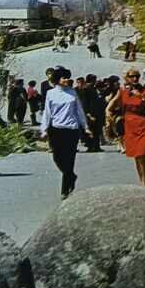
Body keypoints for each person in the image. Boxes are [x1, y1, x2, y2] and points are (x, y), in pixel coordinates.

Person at [40, 67, 89, 199]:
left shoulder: (72, 93)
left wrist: (85, 126)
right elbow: (47, 112)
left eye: (68, 77)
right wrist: (44, 129)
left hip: (71, 130)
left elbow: (79, 111)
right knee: (57, 158)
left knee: (69, 159)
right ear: (57, 79)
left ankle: (65, 189)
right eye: (64, 78)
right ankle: (71, 176)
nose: (66, 80)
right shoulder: (51, 93)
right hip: (56, 129)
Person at [106, 68, 145, 186]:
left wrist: (140, 97)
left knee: (141, 154)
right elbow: (111, 104)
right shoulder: (122, 91)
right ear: (127, 78)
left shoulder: (144, 91)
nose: (134, 79)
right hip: (130, 126)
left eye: (137, 77)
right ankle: (141, 180)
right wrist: (108, 113)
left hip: (144, 125)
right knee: (136, 155)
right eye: (132, 76)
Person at [79, 73, 106, 152]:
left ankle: (96, 146)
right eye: (94, 80)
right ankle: (90, 146)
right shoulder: (86, 89)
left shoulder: (93, 88)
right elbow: (85, 103)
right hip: (90, 114)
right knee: (91, 130)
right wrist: (88, 114)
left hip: (95, 113)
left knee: (96, 130)